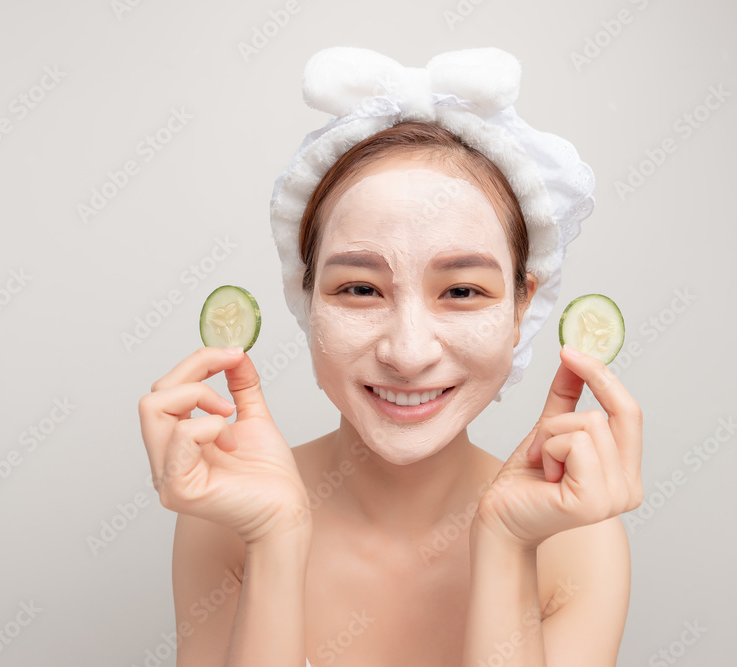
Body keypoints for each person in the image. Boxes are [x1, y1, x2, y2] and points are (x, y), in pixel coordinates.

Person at [138, 46, 644, 667]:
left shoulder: (575, 541)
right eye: (359, 289)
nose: (408, 353)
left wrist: (508, 543)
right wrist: (275, 538)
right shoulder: (228, 513)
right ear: (305, 298)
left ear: (522, 309)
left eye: (461, 291)